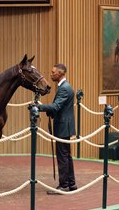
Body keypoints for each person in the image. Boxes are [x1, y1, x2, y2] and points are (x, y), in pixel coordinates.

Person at [37, 63, 77, 194]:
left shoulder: (64, 88)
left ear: (61, 73)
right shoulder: (65, 87)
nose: (51, 74)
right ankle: (71, 184)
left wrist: (38, 107)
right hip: (65, 125)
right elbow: (58, 108)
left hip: (63, 127)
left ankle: (64, 185)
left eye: (53, 72)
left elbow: (55, 107)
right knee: (67, 155)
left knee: (62, 156)